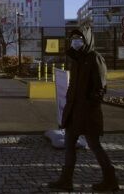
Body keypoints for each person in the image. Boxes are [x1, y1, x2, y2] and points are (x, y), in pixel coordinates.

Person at [48, 25, 119, 192]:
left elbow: (100, 88)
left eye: (79, 39)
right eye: (73, 39)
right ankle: (66, 180)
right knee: (69, 144)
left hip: (88, 112)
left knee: (94, 145)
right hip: (73, 111)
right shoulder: (77, 59)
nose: (75, 42)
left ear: (86, 39)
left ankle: (111, 180)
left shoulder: (94, 58)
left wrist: (90, 106)